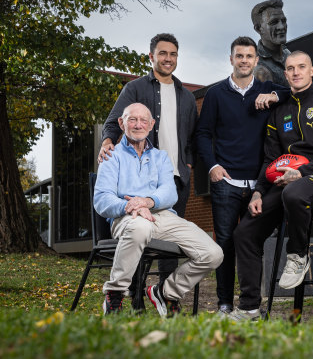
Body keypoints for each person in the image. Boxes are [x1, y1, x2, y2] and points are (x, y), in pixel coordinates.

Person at [228, 51, 313, 321]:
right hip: (285, 181)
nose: (296, 72)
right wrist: (258, 191)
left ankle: (297, 255)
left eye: (301, 67)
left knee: (294, 192)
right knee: (245, 230)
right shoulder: (278, 110)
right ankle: (249, 308)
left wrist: (302, 172)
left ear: (312, 70)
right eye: (290, 68)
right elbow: (270, 159)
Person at [95, 103, 223, 317]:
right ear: (121, 123)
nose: (138, 125)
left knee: (213, 254)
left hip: (162, 217)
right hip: (126, 217)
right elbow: (101, 200)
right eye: (132, 119)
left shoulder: (161, 157)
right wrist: (129, 205)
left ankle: (165, 292)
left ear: (151, 124)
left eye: (143, 120)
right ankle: (114, 294)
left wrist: (146, 201)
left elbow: (170, 193)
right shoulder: (111, 156)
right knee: (140, 228)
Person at [98, 33, 197, 291]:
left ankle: (166, 296)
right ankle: (135, 297)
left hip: (175, 179)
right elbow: (113, 123)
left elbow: (193, 137)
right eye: (162, 53)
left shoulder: (186, 96)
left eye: (173, 54)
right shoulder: (135, 89)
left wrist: (188, 164)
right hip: (141, 176)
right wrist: (107, 142)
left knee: (170, 245)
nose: (168, 58)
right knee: (139, 233)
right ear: (151, 56)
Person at [196, 36, 285, 315]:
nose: (244, 60)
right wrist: (212, 167)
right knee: (223, 245)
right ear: (231, 59)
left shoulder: (268, 89)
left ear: (256, 60)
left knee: (250, 242)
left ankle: (250, 304)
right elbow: (202, 134)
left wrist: (274, 96)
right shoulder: (216, 94)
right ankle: (224, 303)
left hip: (260, 184)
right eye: (239, 56)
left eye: (249, 56)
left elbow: (298, 92)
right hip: (226, 182)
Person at [251, 0, 291, 87]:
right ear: (258, 29)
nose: (281, 27)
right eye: (273, 22)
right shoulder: (259, 69)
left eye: (283, 21)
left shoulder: (287, 53)